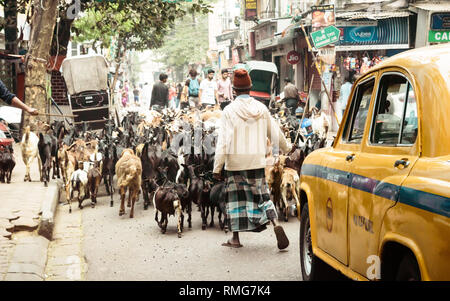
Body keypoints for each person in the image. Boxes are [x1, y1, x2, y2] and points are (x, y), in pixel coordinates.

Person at [213, 69, 291, 250]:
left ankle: (235, 238)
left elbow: (223, 142)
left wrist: (217, 168)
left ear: (234, 90)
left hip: (235, 163)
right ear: (250, 88)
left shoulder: (229, 111)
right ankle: (274, 222)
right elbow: (275, 132)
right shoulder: (261, 109)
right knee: (263, 195)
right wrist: (287, 147)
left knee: (235, 200)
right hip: (256, 161)